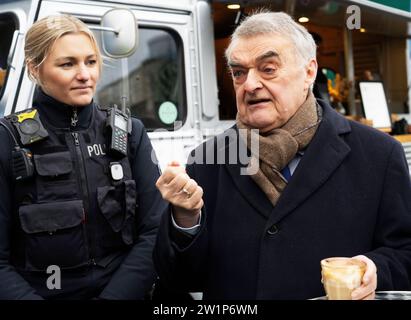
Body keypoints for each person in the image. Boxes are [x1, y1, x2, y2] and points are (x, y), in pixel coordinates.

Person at [153, 11, 411, 299]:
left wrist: (374, 268)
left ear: (309, 72)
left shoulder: (380, 155)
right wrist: (186, 219)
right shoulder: (206, 160)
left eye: (268, 68)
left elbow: (404, 254)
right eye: (239, 72)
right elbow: (178, 279)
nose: (249, 84)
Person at [0, 15, 166, 299]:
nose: (85, 75)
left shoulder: (129, 133)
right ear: (34, 68)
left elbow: (154, 233)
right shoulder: (7, 139)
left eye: (91, 62)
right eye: (67, 64)